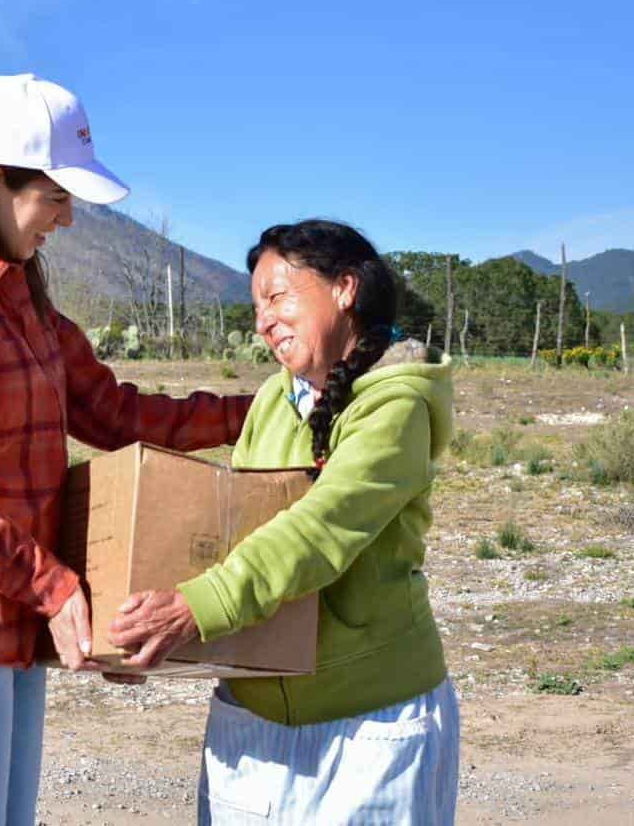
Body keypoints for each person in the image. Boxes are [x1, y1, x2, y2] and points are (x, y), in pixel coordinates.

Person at [0, 73, 251, 826]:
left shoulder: (22, 297)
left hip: (10, 606)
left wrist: (249, 416)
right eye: (56, 196)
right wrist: (56, 586)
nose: (66, 219)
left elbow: (114, 410)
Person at [110, 219, 459, 824]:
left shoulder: (397, 404)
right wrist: (153, 640)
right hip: (251, 720)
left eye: (277, 296)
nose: (263, 320)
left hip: (370, 725)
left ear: (345, 288)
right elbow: (231, 532)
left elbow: (321, 529)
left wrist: (195, 607)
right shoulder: (274, 399)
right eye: (256, 307)